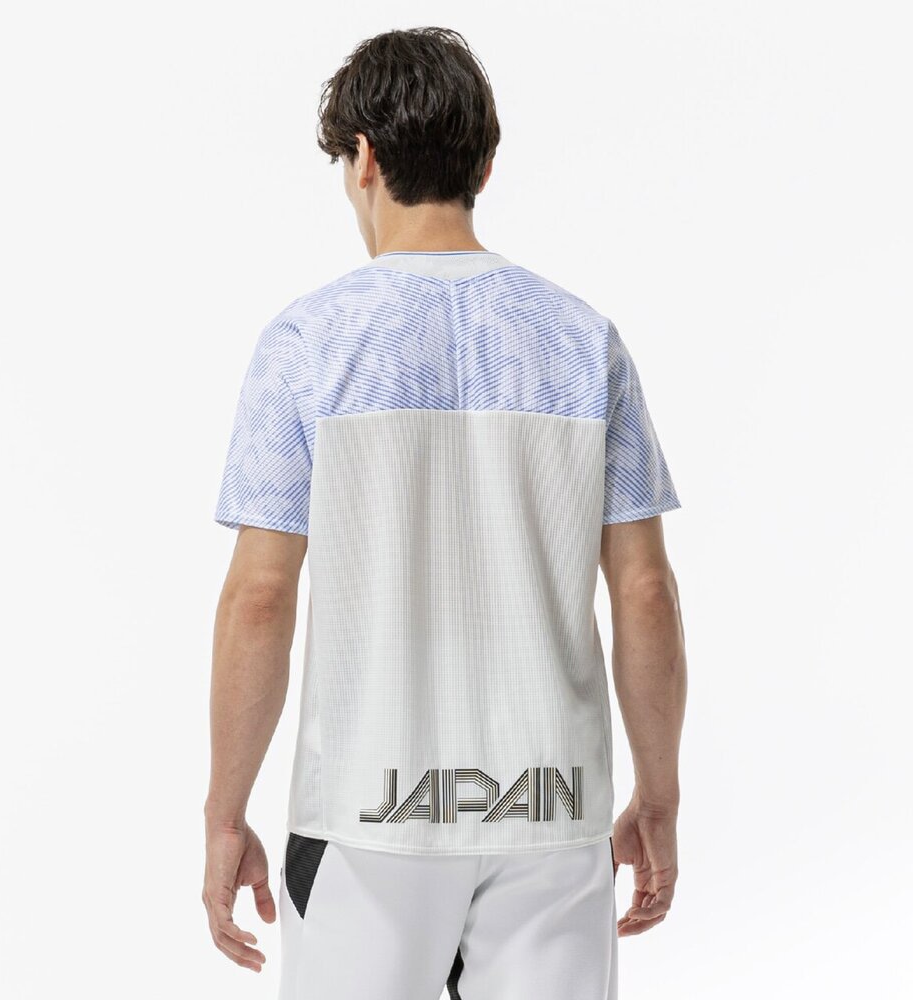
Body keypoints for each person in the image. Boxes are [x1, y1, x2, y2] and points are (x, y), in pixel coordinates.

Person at [202, 25, 687, 1000]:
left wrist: (224, 811)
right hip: (550, 809)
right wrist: (658, 794)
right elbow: (643, 590)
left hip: (365, 817)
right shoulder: (583, 340)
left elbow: (260, 598)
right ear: (484, 166)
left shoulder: (308, 343)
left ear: (364, 160)